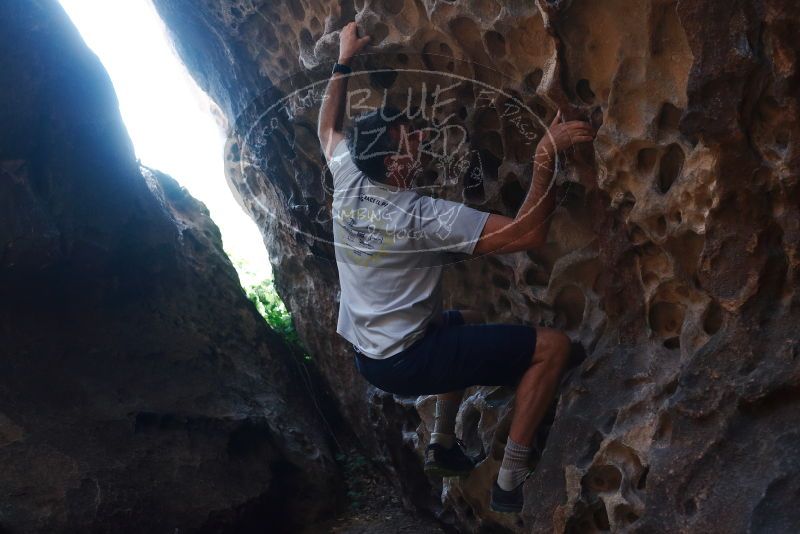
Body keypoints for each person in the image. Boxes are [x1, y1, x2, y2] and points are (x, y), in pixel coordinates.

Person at [317, 22, 596, 513]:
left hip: (370, 355)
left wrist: (343, 59)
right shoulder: (418, 217)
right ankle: (511, 477)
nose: (421, 138)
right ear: (395, 166)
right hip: (409, 359)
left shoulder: (349, 174)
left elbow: (327, 128)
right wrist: (544, 157)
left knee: (463, 318)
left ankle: (443, 442)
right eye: (411, 141)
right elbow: (527, 234)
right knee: (552, 348)